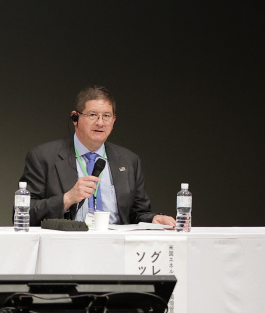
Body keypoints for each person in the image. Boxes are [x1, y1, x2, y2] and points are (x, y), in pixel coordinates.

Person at [22, 85, 175, 226]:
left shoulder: (129, 160)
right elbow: (23, 213)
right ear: (75, 118)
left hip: (116, 246)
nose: (100, 123)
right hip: (68, 245)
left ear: (114, 120)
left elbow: (138, 213)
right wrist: (67, 198)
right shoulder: (43, 157)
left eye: (106, 116)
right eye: (93, 115)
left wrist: (153, 218)